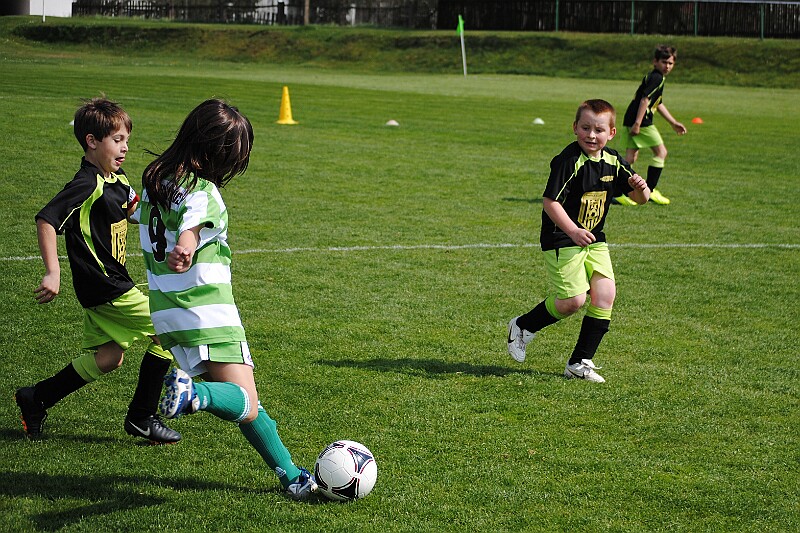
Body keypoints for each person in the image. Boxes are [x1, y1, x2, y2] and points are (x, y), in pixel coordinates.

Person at [133, 98, 316, 500]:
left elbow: (141, 214)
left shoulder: (156, 182)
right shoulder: (204, 192)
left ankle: (291, 476)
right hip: (206, 311)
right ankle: (192, 395)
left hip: (166, 311)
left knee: (245, 401)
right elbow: (192, 226)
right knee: (245, 401)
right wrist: (186, 246)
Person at [15, 97, 180, 444]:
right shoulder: (87, 184)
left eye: (127, 141)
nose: (125, 148)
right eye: (117, 140)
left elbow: (134, 210)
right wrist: (53, 272)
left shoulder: (116, 179)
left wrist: (174, 211)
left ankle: (36, 398)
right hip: (107, 287)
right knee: (169, 331)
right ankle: (142, 417)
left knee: (107, 358)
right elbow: (47, 220)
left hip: (106, 287)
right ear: (92, 141)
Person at [506, 99, 649, 383]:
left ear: (611, 133)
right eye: (585, 128)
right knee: (573, 301)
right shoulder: (568, 161)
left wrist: (642, 189)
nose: (591, 135)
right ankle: (522, 325)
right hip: (562, 237)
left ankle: (579, 362)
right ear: (575, 128)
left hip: (594, 239)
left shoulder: (613, 161)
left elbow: (638, 199)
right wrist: (573, 231)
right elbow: (550, 202)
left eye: (599, 130)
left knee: (605, 295)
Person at [615, 44, 687, 206]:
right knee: (661, 152)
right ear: (655, 61)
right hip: (641, 122)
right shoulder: (657, 78)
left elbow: (657, 103)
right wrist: (638, 123)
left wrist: (673, 122)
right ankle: (650, 190)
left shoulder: (654, 77)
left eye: (670, 63)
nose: (667, 66)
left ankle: (618, 193)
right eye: (664, 62)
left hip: (631, 118)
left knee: (630, 158)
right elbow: (645, 100)